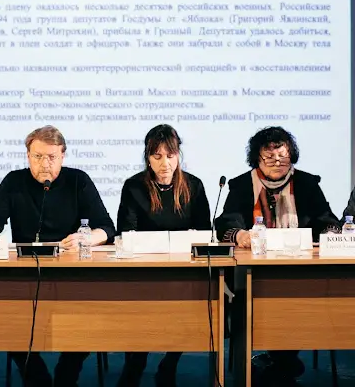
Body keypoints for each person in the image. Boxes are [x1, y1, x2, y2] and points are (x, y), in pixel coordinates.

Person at [0, 125, 115, 387]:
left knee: (89, 315)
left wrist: (88, 238)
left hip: (72, 275)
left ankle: (67, 372)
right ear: (27, 156)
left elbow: (107, 228)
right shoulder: (14, 182)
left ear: (63, 156)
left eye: (51, 157)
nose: (44, 164)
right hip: (24, 275)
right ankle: (35, 375)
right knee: (2, 318)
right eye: (38, 156)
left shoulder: (78, 181)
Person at [215, 126, 340, 384]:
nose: (277, 161)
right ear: (257, 158)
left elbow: (327, 220)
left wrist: (330, 232)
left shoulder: (306, 183)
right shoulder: (242, 185)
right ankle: (281, 363)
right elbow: (226, 224)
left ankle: (277, 362)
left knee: (299, 299)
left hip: (301, 270)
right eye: (269, 156)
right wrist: (240, 235)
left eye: (283, 156)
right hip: (254, 272)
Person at [116, 124, 211, 387]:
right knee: (142, 311)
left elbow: (205, 232)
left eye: (170, 155)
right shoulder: (134, 186)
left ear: (178, 155)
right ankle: (135, 363)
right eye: (157, 156)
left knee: (188, 304)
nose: (164, 163)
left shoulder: (194, 185)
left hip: (184, 272)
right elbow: (125, 232)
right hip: (144, 270)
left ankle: (169, 364)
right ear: (148, 157)